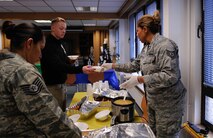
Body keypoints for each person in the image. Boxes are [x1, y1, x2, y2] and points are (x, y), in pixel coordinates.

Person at [102, 10, 186, 138]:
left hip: (168, 106)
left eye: (137, 31)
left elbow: (171, 76)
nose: (136, 34)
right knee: (152, 134)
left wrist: (140, 79)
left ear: (145, 29)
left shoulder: (165, 46)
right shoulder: (147, 47)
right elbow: (134, 65)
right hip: (153, 101)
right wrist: (112, 66)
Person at [0, 22, 81, 137]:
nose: (41, 55)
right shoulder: (23, 71)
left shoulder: (4, 63)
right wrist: (77, 134)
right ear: (29, 44)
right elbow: (49, 117)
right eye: (40, 48)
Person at [40, 17, 94, 111]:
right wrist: (81, 69)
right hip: (53, 86)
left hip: (61, 84)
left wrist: (72, 63)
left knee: (63, 111)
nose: (64, 31)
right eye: (61, 28)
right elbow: (58, 66)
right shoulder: (49, 44)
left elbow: (64, 61)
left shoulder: (58, 43)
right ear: (52, 28)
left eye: (65, 29)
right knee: (57, 114)